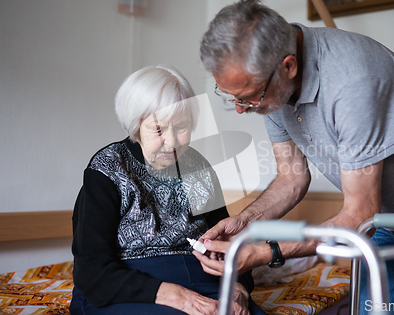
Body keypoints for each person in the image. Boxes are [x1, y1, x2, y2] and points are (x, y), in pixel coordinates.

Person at [195, 0, 394, 314]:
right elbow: (292, 177)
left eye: (248, 98)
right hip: (385, 210)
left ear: (288, 67)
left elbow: (358, 214)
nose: (241, 108)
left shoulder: (354, 81)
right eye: (232, 97)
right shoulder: (272, 88)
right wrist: (246, 223)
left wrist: (267, 252)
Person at [70, 66, 266, 315]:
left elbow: (228, 245)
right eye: (159, 129)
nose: (172, 142)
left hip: (204, 283)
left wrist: (238, 287)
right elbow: (92, 272)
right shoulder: (107, 169)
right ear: (135, 125)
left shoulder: (198, 168)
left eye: (181, 127)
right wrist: (178, 297)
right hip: (128, 289)